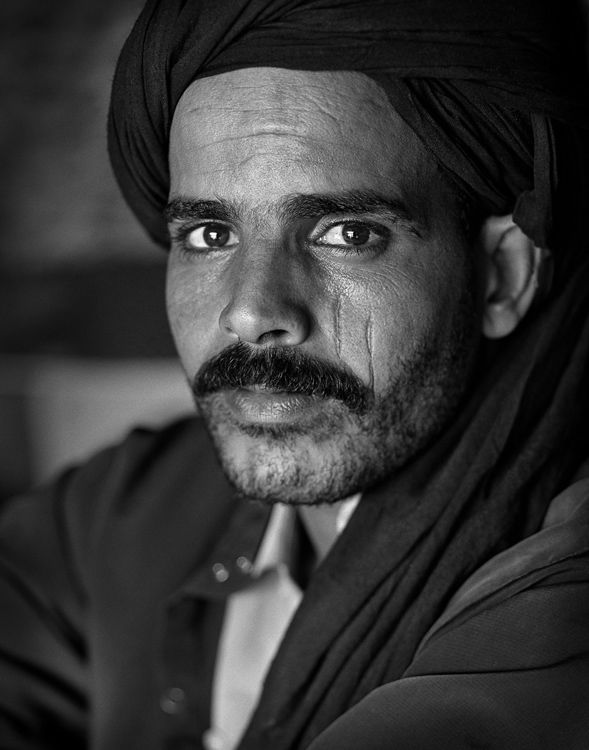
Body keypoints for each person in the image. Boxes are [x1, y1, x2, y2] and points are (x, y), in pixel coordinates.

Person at [2, 0, 589, 748]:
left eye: (346, 233)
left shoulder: (560, 605)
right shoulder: (122, 510)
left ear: (501, 275)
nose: (251, 313)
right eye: (210, 234)